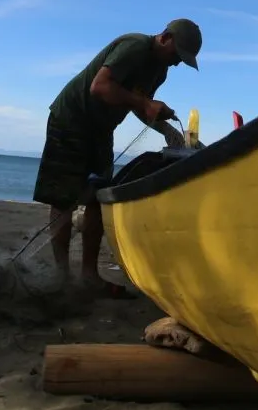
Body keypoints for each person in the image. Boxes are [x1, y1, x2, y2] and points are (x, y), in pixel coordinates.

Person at [32, 19, 203, 297]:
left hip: (102, 129)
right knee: (62, 198)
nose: (176, 63)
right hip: (72, 119)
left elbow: (139, 105)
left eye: (182, 60)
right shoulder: (134, 46)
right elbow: (100, 86)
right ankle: (62, 275)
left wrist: (167, 130)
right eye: (177, 55)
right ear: (165, 38)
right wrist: (145, 103)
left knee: (99, 197)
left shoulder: (160, 70)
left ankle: (89, 276)